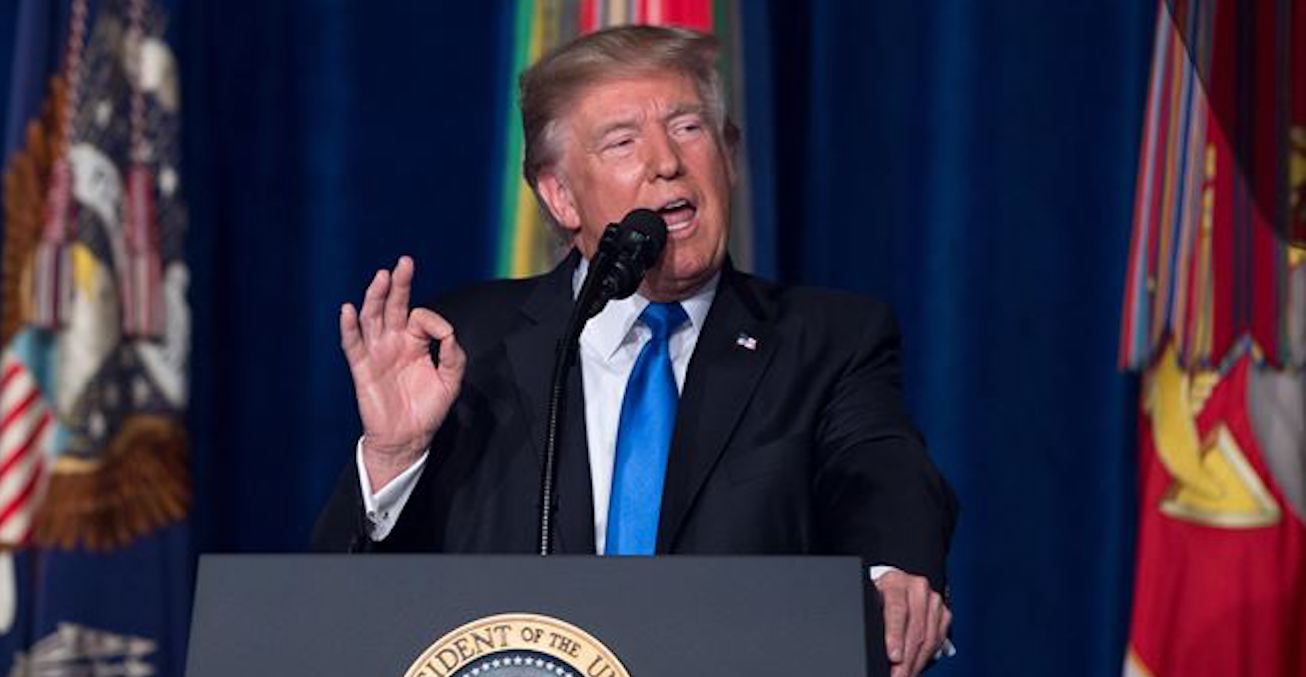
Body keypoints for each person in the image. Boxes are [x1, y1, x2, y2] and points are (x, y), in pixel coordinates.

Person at [314, 25, 957, 677]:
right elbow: (340, 617)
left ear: (729, 155)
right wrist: (395, 457)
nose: (666, 162)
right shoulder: (470, 345)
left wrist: (894, 568)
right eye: (623, 141)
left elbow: (881, 469)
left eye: (687, 128)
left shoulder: (826, 338)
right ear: (560, 195)